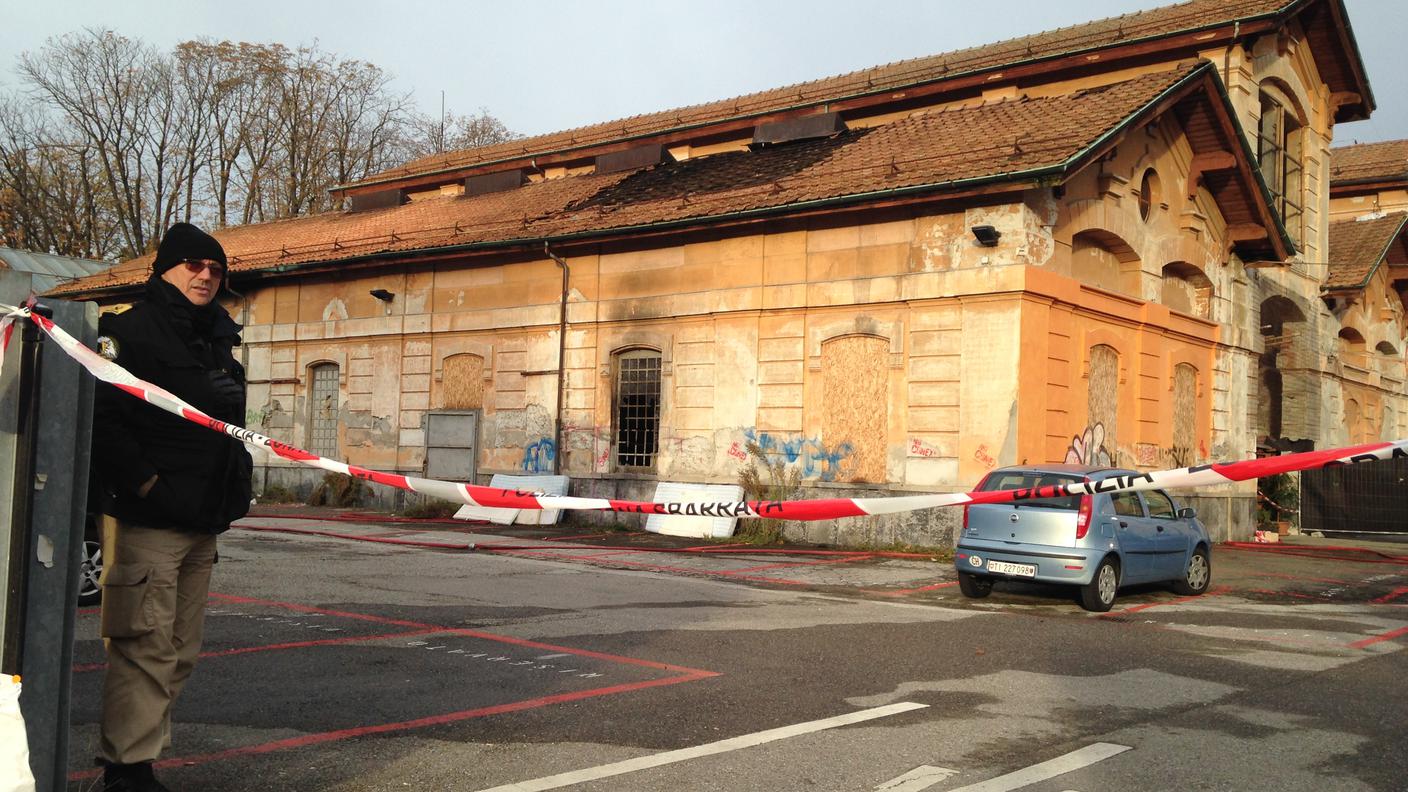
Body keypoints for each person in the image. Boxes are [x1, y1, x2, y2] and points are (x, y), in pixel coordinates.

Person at [90, 223, 253, 792]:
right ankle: (126, 770)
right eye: (193, 265)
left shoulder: (217, 335)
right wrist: (149, 487)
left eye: (215, 268)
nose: (206, 275)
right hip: (149, 520)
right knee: (143, 647)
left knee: (179, 651)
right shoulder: (129, 332)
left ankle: (139, 757)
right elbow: (104, 421)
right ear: (164, 269)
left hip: (203, 519)